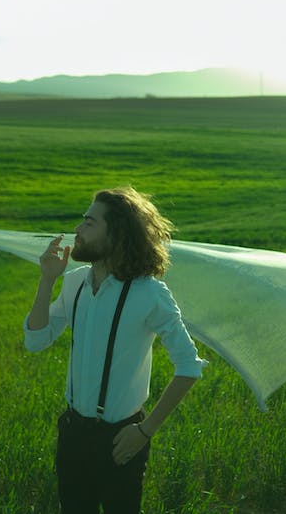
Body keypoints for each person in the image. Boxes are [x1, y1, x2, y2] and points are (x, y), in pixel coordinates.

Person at [24, 186, 207, 514]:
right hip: (72, 433)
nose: (77, 230)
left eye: (90, 223)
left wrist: (144, 431)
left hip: (122, 438)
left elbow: (189, 367)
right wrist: (46, 281)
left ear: (118, 234)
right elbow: (36, 341)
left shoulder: (150, 294)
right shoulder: (75, 282)